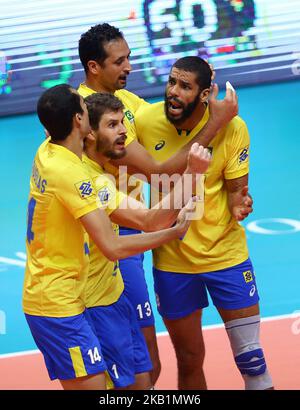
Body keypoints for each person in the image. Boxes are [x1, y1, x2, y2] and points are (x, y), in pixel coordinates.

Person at [78, 23, 239, 385]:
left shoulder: (126, 103)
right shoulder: (91, 115)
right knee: (141, 367)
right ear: (94, 67)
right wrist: (215, 122)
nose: (129, 67)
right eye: (119, 62)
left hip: (134, 231)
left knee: (145, 364)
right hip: (113, 239)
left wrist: (197, 87)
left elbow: (169, 117)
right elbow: (159, 169)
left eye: (129, 58)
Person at [22, 84, 200, 390]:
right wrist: (174, 232)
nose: (121, 131)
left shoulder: (52, 153)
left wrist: (193, 174)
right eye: (84, 107)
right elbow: (114, 245)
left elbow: (148, 219)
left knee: (141, 380)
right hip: (58, 302)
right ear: (81, 122)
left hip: (81, 296)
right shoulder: (74, 176)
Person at [135, 56, 273, 390]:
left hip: (225, 254)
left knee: (252, 360)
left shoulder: (235, 128)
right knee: (188, 359)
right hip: (173, 261)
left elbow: (237, 189)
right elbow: (157, 172)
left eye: (185, 86)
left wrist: (240, 202)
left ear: (204, 94)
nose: (173, 92)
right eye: (171, 82)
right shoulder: (145, 121)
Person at [82, 91, 210, 389]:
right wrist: (193, 172)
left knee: (144, 376)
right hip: (93, 302)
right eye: (113, 125)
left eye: (122, 124)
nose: (124, 132)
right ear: (88, 133)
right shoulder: (88, 181)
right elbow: (152, 221)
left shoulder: (89, 170)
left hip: (114, 292)